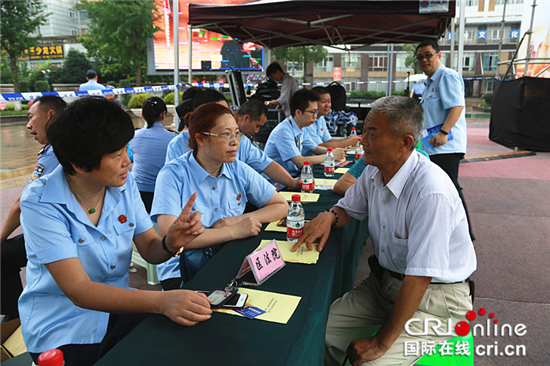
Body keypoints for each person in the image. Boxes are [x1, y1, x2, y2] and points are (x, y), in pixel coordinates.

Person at [18, 97, 210, 365]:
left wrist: (170, 242)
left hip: (119, 311)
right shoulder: (41, 202)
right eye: (116, 154)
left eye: (126, 149)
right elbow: (79, 290)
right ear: (80, 164)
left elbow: (150, 250)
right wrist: (161, 301)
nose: (128, 161)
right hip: (63, 327)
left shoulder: (123, 185)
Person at [291, 96, 476, 366]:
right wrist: (328, 216)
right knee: (318, 333)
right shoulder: (373, 172)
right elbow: (348, 209)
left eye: (372, 133)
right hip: (384, 287)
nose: (362, 140)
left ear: (405, 143)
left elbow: (420, 277)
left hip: (435, 301)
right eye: (364, 130)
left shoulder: (431, 191)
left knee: (372, 362)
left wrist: (381, 343)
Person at [152, 103, 288, 290]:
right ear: (200, 139)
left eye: (237, 133)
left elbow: (281, 205)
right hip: (184, 269)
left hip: (231, 257)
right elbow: (172, 237)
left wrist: (236, 220)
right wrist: (233, 231)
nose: (235, 142)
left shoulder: (237, 168)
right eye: (225, 135)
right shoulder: (172, 175)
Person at [1, 95, 67, 322]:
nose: (28, 125)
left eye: (31, 117)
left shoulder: (54, 153)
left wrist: (0, 237)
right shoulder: (70, 145)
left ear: (50, 115)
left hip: (58, 234)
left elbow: (22, 202)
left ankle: (15, 319)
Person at [416, 39, 475, 241]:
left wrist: (443, 132)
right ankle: (447, 233)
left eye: (428, 54)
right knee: (440, 189)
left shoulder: (447, 76)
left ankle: (466, 237)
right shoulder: (429, 83)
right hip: (433, 147)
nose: (424, 59)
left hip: (445, 145)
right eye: (420, 57)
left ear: (439, 55)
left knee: (450, 190)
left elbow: (456, 107)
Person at [264, 89, 345, 179]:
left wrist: (333, 151)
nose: (315, 116)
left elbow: (316, 149)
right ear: (298, 112)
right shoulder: (283, 131)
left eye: (316, 112)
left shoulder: (301, 127)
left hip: (293, 177)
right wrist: (331, 156)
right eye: (312, 112)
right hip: (276, 183)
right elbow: (300, 162)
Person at [130, 97, 176, 212]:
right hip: (164, 193)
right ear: (163, 114)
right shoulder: (173, 139)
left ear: (143, 116)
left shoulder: (133, 136)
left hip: (138, 191)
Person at [166, 89, 229, 162]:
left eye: (228, 112)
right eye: (218, 115)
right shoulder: (178, 144)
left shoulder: (240, 142)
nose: (227, 118)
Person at [304, 86, 360, 155]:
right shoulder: (306, 121)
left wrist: (348, 138)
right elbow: (320, 146)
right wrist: (349, 142)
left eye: (329, 101)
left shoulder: (321, 118)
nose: (328, 105)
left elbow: (328, 140)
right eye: (324, 102)